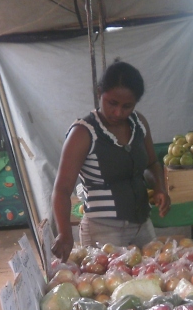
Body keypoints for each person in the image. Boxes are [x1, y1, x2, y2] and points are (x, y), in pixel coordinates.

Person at [51, 61, 170, 262]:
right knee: (108, 289)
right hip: (103, 232)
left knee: (154, 282)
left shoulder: (139, 123)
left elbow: (151, 164)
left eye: (127, 106)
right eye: (112, 103)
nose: (118, 112)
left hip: (143, 225)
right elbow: (62, 189)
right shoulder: (83, 133)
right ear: (99, 93)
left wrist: (160, 187)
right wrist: (64, 233)